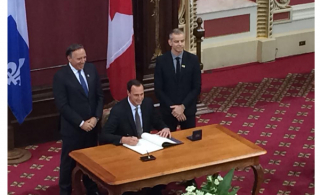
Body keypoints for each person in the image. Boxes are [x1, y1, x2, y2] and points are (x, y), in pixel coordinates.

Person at [53, 44, 103, 195]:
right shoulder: (60, 76)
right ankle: (65, 191)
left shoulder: (91, 69)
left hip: (92, 126)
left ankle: (91, 189)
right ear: (69, 58)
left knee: (90, 161)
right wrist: (81, 123)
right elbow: (62, 105)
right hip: (73, 129)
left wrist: (95, 117)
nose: (82, 61)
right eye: (79, 59)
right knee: (68, 163)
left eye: (84, 57)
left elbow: (99, 96)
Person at [154, 28, 201, 132]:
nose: (180, 44)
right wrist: (174, 109)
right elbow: (158, 89)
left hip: (187, 110)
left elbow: (196, 88)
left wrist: (182, 107)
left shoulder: (193, 60)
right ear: (170, 42)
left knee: (190, 142)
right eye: (176, 41)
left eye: (182, 41)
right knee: (168, 142)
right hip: (168, 111)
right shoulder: (161, 61)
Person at [100, 79, 171, 146]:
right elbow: (104, 135)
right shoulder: (118, 110)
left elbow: (157, 121)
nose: (140, 98)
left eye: (142, 94)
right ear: (128, 93)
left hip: (146, 144)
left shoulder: (147, 103)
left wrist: (164, 128)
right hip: (127, 147)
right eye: (136, 95)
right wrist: (123, 139)